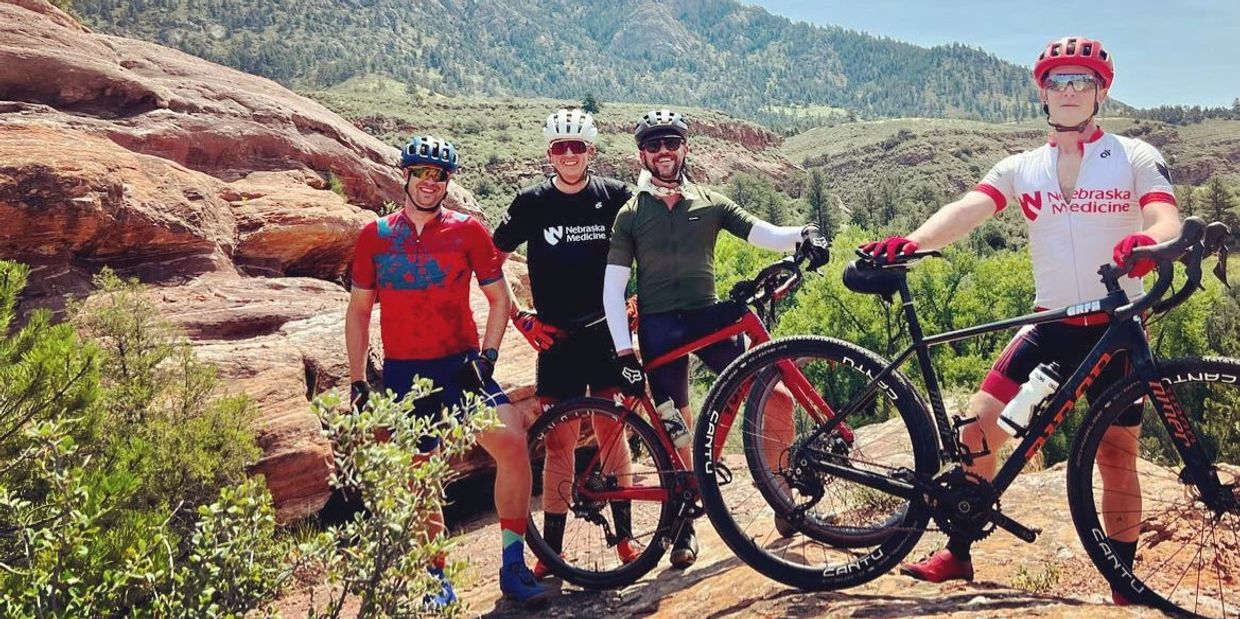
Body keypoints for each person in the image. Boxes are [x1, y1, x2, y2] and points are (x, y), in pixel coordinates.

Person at [861, 37, 1180, 605]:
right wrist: (912, 241)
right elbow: (968, 208)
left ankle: (1123, 585)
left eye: (1082, 80)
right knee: (978, 428)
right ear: (1042, 91)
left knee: (1116, 456)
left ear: (1102, 90)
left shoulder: (1134, 155)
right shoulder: (1022, 166)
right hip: (1050, 325)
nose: (1071, 90)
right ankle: (958, 552)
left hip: (1115, 330)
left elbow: (1164, 216)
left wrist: (1148, 242)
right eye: (1059, 80)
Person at [602, 109, 831, 568]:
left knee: (776, 397)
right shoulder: (631, 212)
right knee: (677, 427)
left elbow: (759, 232)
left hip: (708, 320)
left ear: (685, 148)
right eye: (654, 146)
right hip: (660, 326)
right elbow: (613, 285)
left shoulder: (709, 201)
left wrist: (801, 235)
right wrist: (624, 351)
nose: (663, 152)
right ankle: (685, 525)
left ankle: (783, 498)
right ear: (641, 155)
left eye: (671, 143)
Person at [345, 135, 552, 609]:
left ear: (447, 182)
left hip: (460, 368)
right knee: (421, 476)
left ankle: (513, 565)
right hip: (404, 373)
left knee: (512, 442)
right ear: (407, 175)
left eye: (438, 176)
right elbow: (358, 312)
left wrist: (489, 357)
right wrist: (357, 380)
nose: (429, 183)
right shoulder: (375, 236)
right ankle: (437, 579)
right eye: (422, 173)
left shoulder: (468, 232)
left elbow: (499, 300)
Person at [491, 108, 643, 579]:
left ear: (590, 151)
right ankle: (550, 553)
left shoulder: (616, 196)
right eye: (561, 147)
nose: (570, 155)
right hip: (555, 338)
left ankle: (625, 538)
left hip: (604, 333)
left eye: (578, 147)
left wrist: (638, 300)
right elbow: (490, 261)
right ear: (549, 154)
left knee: (610, 435)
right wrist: (520, 317)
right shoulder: (532, 203)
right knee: (558, 445)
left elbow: (651, 246)